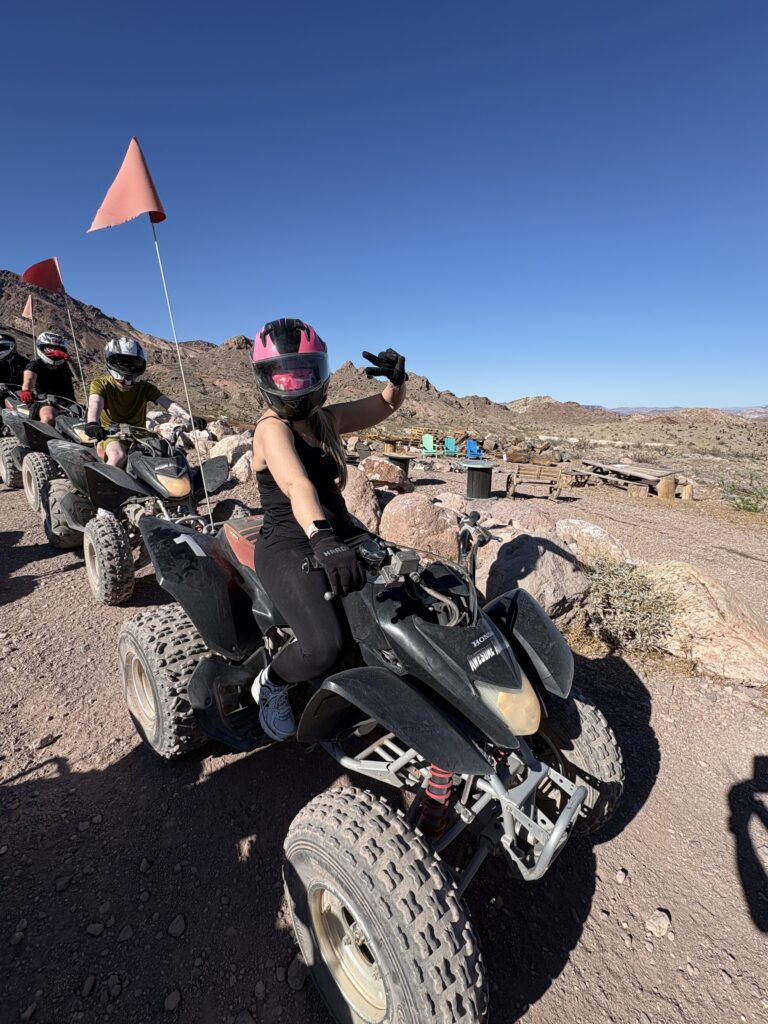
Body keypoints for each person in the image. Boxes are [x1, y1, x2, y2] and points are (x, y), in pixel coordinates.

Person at [249, 317, 407, 741]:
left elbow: (384, 406)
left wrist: (397, 381)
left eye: (302, 373)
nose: (293, 385)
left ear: (318, 373)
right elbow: (296, 484)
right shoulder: (271, 429)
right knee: (323, 646)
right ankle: (272, 683)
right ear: (266, 379)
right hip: (290, 543)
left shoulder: (324, 420)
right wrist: (322, 539)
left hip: (340, 534)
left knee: (405, 594)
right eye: (283, 375)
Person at [83, 337, 206, 468]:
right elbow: (95, 402)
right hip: (111, 435)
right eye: (123, 361)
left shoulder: (145, 387)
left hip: (141, 435)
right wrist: (92, 423)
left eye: (133, 362)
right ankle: (105, 487)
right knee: (117, 456)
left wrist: (189, 417)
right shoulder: (101, 384)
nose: (128, 367)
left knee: (171, 453)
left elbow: (168, 403)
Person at [20, 332, 76, 424]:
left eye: (57, 349)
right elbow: (29, 379)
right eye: (50, 348)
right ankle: (41, 437)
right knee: (48, 418)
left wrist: (69, 359)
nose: (54, 351)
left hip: (69, 402)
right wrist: (26, 390)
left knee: (87, 418)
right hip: (46, 401)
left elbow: (78, 376)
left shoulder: (65, 365)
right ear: (42, 348)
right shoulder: (35, 364)